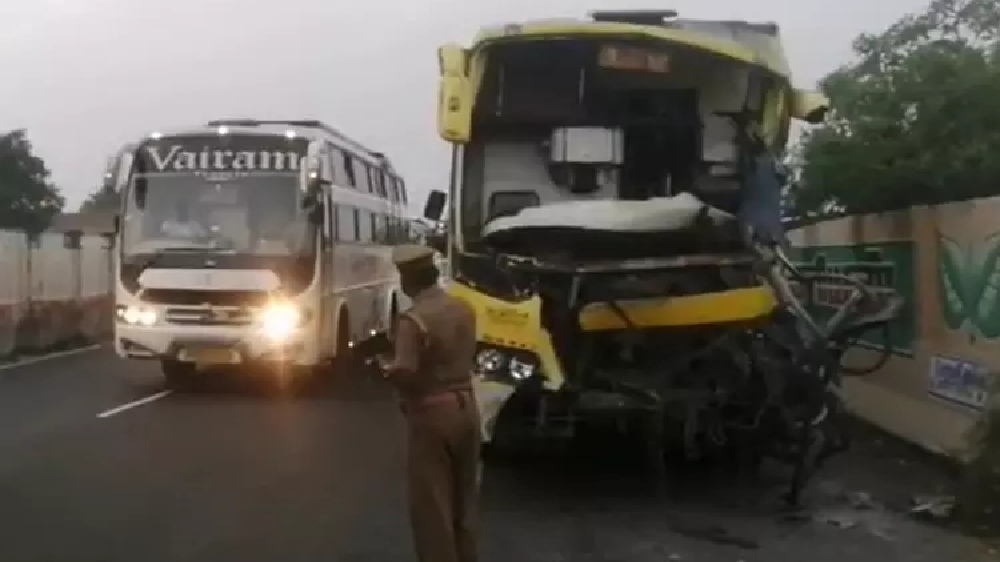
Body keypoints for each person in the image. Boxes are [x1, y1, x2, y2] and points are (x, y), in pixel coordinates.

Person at [376, 244, 481, 562]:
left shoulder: (414, 319)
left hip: (432, 415)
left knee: (433, 510)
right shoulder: (463, 308)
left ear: (408, 281)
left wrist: (385, 369)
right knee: (464, 505)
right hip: (468, 409)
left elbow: (406, 369)